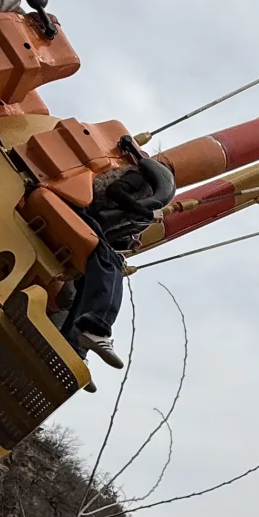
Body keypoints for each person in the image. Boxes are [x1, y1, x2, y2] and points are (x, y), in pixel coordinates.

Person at [60, 152, 175, 375]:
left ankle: (73, 348)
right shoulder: (139, 177)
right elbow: (115, 191)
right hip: (81, 209)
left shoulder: (142, 184)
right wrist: (144, 210)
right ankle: (96, 328)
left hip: (86, 216)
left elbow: (111, 221)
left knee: (85, 285)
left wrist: (129, 238)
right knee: (110, 265)